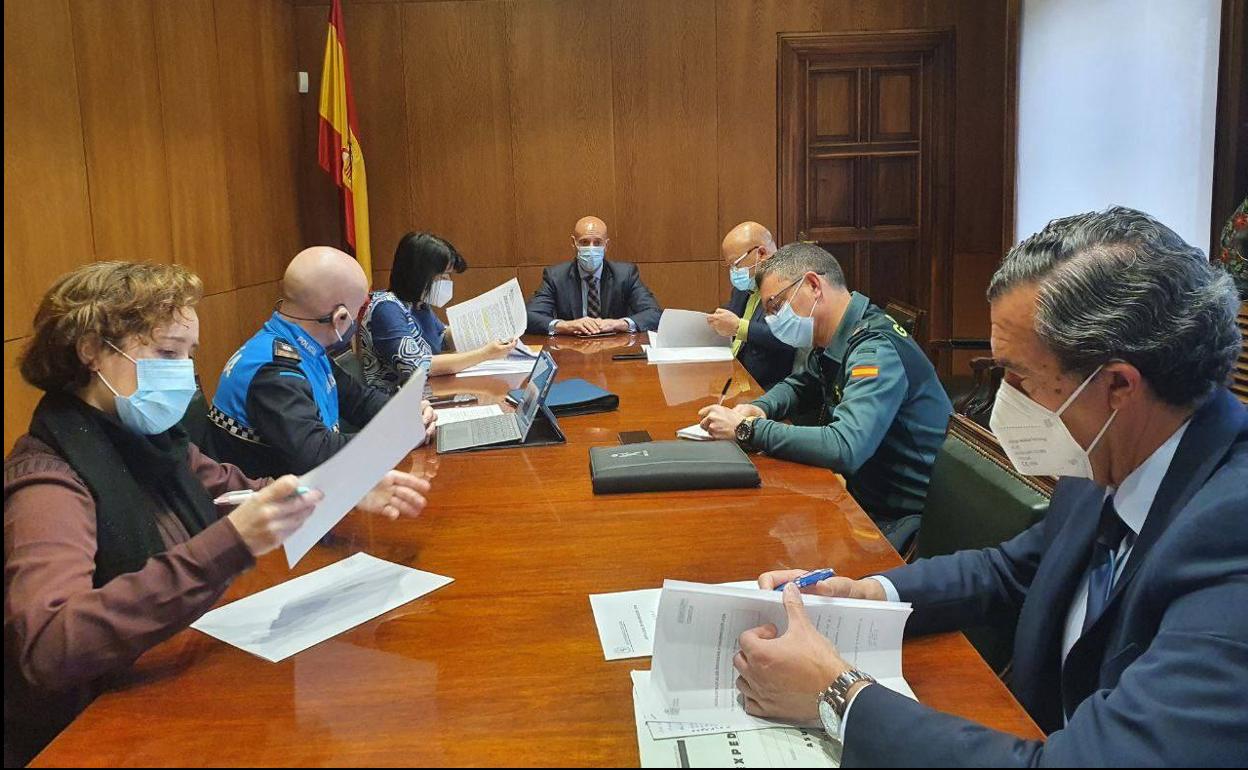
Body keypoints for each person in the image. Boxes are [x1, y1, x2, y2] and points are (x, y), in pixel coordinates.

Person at [733, 207, 1247, 766]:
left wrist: (838, 696)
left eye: (1019, 376)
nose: (999, 401)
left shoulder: (1230, 538)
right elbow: (1009, 570)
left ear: (1118, 386)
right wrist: (868, 595)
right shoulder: (1111, 458)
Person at [3, 262, 432, 766]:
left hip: (181, 673)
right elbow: (50, 646)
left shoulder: (156, 440)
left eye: (189, 355)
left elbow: (240, 490)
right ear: (92, 351)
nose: (183, 371)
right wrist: (230, 543)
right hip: (103, 731)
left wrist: (342, 485)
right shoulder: (47, 478)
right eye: (166, 353)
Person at [698, 243, 952, 545]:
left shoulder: (874, 349)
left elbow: (845, 446)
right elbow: (802, 384)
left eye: (776, 306)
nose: (772, 319)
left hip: (910, 522)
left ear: (814, 285)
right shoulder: (837, 335)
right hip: (868, 501)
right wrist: (760, 409)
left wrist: (747, 430)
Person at [208, 247, 436, 479]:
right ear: (340, 318)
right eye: (359, 312)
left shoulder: (304, 349)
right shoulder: (274, 372)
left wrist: (406, 413)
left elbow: (359, 400)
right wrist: (397, 436)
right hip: (282, 508)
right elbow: (317, 454)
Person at [359, 232, 516, 390]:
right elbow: (418, 366)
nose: (448, 281)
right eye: (443, 275)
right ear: (419, 274)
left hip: (429, 395)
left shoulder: (418, 305)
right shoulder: (386, 309)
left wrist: (483, 325)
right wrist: (484, 354)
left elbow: (442, 341)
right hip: (394, 404)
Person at [525, 215, 662, 335]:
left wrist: (618, 324)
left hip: (614, 348)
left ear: (606, 245)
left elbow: (654, 313)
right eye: (584, 242)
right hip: (571, 351)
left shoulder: (625, 274)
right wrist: (566, 326)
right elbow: (530, 316)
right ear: (574, 243)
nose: (591, 248)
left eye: (597, 243)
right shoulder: (556, 276)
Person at [706, 221, 796, 390]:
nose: (733, 272)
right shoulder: (746, 285)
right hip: (737, 378)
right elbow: (731, 312)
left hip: (766, 387)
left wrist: (740, 327)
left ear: (761, 253)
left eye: (735, 264)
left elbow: (789, 337)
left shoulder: (790, 284)